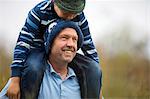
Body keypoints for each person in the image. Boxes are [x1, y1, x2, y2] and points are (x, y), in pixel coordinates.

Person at [6, 0, 101, 98]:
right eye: (66, 12)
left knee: (93, 68)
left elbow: (89, 45)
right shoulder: (39, 11)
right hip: (37, 50)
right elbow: (23, 42)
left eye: (73, 14)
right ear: (54, 2)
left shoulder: (80, 17)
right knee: (33, 68)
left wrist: (98, 85)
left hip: (64, 51)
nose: (69, 17)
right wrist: (15, 78)